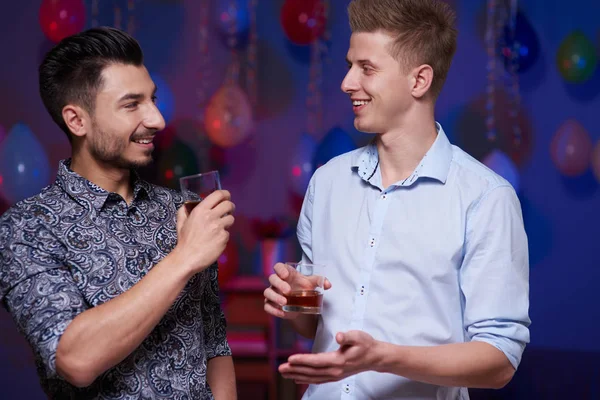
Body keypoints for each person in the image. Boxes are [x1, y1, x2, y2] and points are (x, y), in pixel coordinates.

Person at [263, 0, 530, 399]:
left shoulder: (485, 197)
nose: (347, 82)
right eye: (349, 65)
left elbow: (500, 360)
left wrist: (381, 357)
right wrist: (295, 303)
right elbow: (313, 324)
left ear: (419, 80)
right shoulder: (327, 182)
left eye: (367, 68)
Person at [0, 27, 237, 399]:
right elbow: (75, 360)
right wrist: (185, 257)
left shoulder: (180, 210)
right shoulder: (26, 229)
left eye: (153, 99)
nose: (157, 119)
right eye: (132, 104)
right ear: (77, 120)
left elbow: (215, 344)